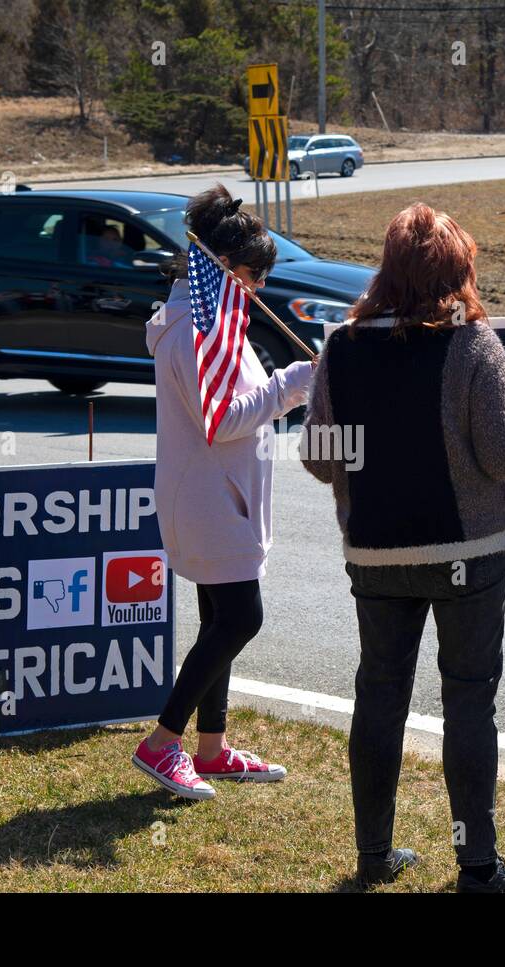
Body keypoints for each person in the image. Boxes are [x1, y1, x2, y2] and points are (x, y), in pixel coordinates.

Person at [302, 203, 505, 892]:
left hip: (375, 555)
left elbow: (317, 457)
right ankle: (477, 868)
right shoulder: (473, 342)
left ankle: (374, 856)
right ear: (458, 268)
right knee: (468, 702)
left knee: (379, 697)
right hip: (468, 553)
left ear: (388, 267)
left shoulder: (342, 344)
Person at [133, 184, 314, 800]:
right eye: (254, 275)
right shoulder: (193, 329)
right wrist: (294, 383)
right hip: (208, 500)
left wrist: (294, 387)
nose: (259, 289)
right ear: (222, 269)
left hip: (223, 497)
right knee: (241, 617)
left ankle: (211, 748)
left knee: (219, 618)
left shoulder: (216, 323)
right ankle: (163, 743)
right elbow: (222, 418)